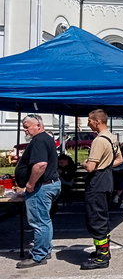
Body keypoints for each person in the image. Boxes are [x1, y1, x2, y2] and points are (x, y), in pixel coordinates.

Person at [14, 114, 61, 269]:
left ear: (38, 126)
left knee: (39, 222)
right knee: (44, 220)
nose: (25, 130)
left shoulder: (39, 140)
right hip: (48, 185)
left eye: (27, 127)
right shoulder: (45, 138)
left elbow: (41, 164)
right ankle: (44, 250)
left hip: (41, 187)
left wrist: (30, 184)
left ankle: (39, 255)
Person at [81, 109, 123, 270]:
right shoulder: (112, 137)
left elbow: (91, 167)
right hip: (107, 180)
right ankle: (103, 250)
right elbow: (119, 159)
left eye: (89, 120)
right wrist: (106, 165)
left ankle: (102, 257)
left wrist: (85, 163)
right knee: (102, 217)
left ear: (97, 121)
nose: (87, 123)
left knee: (96, 219)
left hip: (97, 183)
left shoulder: (99, 140)